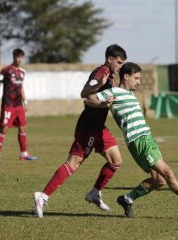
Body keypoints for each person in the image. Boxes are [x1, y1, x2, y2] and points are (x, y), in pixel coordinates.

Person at [85, 62, 178, 218]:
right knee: (168, 173)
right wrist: (100, 97)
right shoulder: (113, 92)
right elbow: (87, 98)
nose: (139, 82)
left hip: (147, 139)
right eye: (136, 78)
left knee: (159, 180)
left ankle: (127, 199)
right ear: (126, 76)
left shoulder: (130, 94)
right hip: (138, 141)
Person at [33, 44, 126, 218]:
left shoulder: (110, 78)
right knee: (73, 163)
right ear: (110, 59)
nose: (120, 66)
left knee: (116, 160)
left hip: (99, 127)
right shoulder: (100, 73)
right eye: (119, 62)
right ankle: (43, 196)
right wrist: (100, 94)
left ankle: (95, 193)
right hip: (88, 127)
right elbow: (85, 94)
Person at [0, 48, 37, 162]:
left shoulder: (22, 72)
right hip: (8, 105)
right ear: (13, 57)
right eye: (17, 57)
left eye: (21, 57)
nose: (19, 59)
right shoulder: (5, 70)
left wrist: (25, 102)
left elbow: (21, 87)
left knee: (23, 127)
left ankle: (24, 154)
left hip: (19, 106)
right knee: (4, 129)